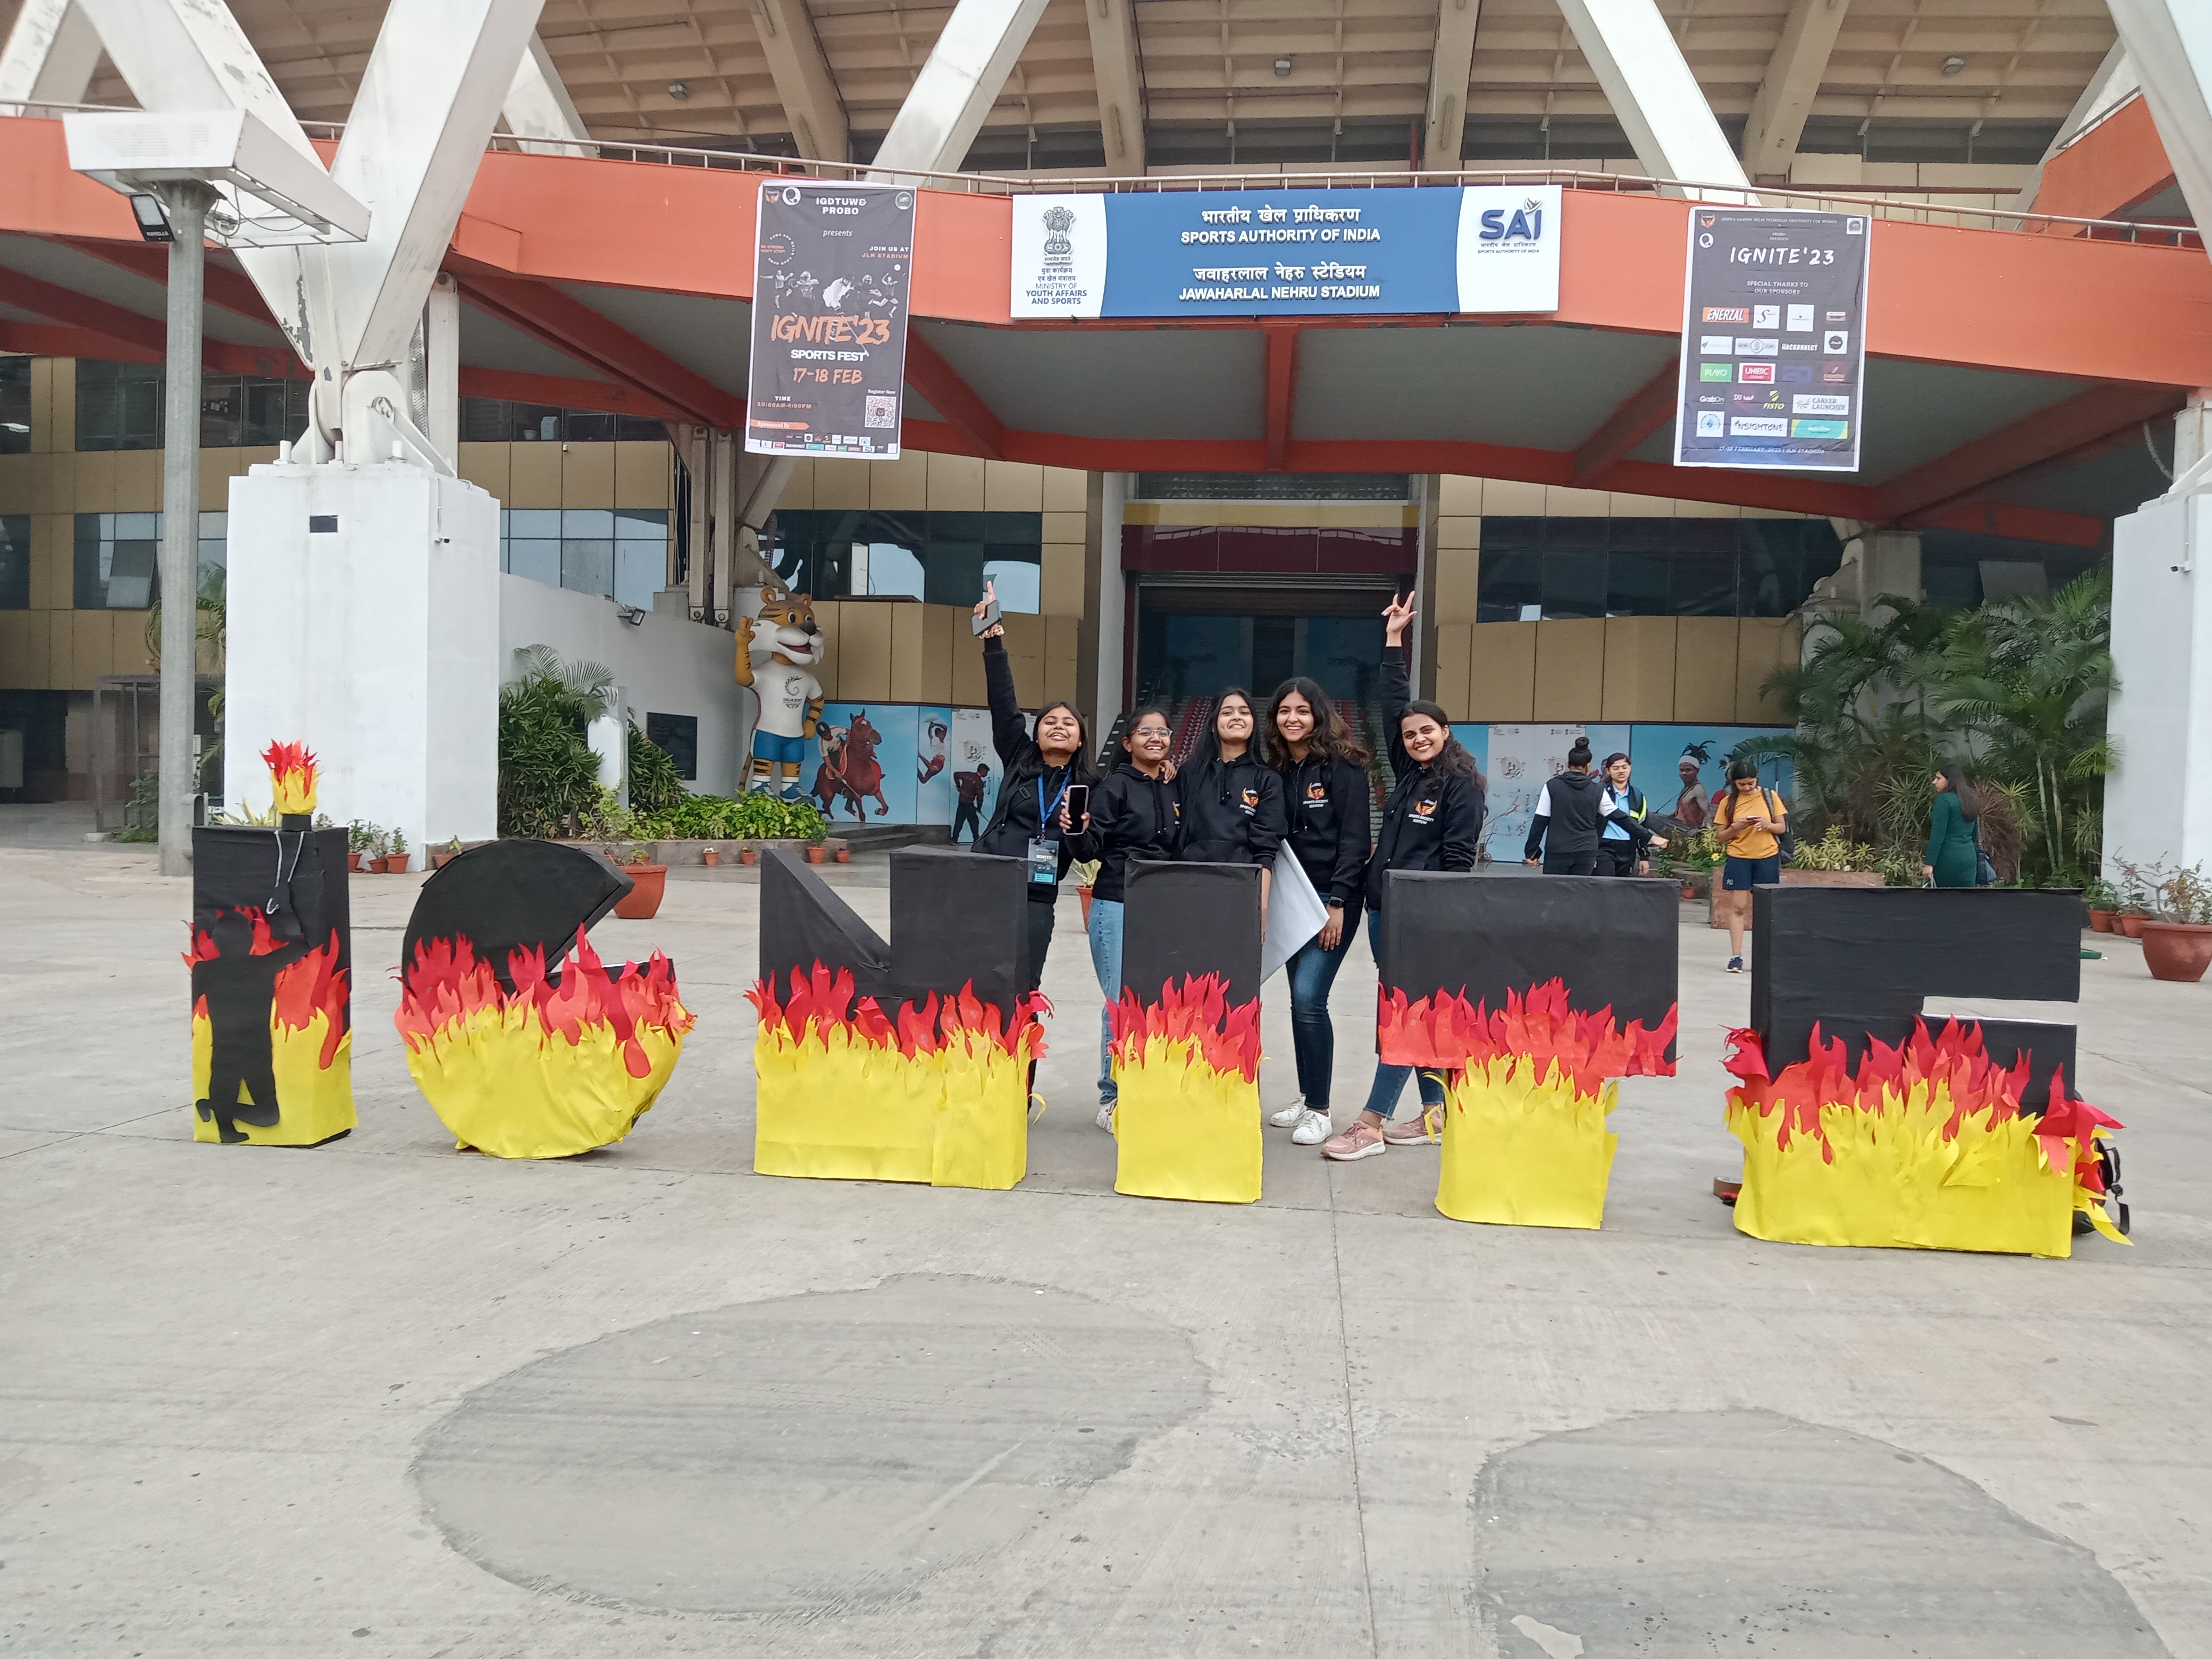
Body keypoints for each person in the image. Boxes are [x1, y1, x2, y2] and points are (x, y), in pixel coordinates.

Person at [1322, 593, 1485, 1163]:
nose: (1417, 738)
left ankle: (1371, 1123)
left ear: (1446, 731)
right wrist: (1393, 640)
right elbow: (1395, 702)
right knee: (1413, 1011)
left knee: (1405, 1015)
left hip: (1421, 918)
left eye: (1426, 731)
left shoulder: (1461, 785)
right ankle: (1437, 1111)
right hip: (1381, 908)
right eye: (1410, 733)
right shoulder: (1411, 772)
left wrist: (1436, 919)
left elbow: (1457, 861)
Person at [970, 580, 1097, 996]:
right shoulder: (1018, 757)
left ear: (1080, 738)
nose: (1058, 727)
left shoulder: (1090, 784)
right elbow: (1003, 703)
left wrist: (1079, 830)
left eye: (1068, 723)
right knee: (976, 982)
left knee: (1024, 988)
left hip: (1038, 897)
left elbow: (1090, 849)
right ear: (1037, 733)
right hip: (988, 881)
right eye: (1049, 721)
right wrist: (993, 639)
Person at [1263, 677, 1373, 1146]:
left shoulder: (1344, 766)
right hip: (1292, 897)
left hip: (1331, 899)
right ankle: (1308, 1096)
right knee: (1298, 1002)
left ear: (1318, 716)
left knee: (1310, 998)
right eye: (1285, 711)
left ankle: (1321, 1111)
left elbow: (1355, 839)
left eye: (1302, 711)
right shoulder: (1277, 769)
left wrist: (1339, 903)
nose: (1293, 718)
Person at [1075, 707, 1183, 1130]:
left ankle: (1143, 1084)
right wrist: (1077, 830)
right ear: (1128, 742)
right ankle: (1111, 1096)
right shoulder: (1113, 788)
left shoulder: (1173, 786)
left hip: (1161, 908)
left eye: (1163, 732)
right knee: (1120, 1002)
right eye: (1145, 732)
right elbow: (1090, 847)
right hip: (1117, 903)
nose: (1156, 738)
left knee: (1155, 1001)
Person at [1174, 689, 1288, 920]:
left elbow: (1265, 849)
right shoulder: (1189, 772)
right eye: (1227, 712)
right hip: (1188, 883)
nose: (1237, 717)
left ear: (1253, 725)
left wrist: (1261, 907)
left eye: (1244, 712)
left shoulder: (1267, 779)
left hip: (1241, 887)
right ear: (1213, 725)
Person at [1713, 759, 1788, 974]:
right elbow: (1721, 837)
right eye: (1741, 784)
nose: (1747, 788)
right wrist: (1736, 827)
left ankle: (1765, 958)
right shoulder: (1728, 803)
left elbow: (1781, 828)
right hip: (1739, 857)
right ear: (1734, 783)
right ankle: (1736, 957)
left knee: (1765, 909)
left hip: (1767, 856)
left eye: (1750, 783)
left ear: (1757, 779)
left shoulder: (1770, 797)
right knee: (1738, 907)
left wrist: (1766, 825)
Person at [1521, 741, 1607, 875]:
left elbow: (1540, 821)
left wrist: (1532, 852)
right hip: (1586, 851)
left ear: (1568, 764)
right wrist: (1594, 852)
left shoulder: (1552, 786)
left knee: (1554, 888)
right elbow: (1603, 821)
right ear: (1588, 766)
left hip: (1557, 850)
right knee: (1580, 888)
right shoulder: (1598, 790)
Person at [1596, 753, 1667, 877]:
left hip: (1628, 849)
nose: (1621, 771)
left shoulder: (1637, 796)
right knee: (1605, 884)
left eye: (1624, 767)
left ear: (1630, 768)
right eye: (1616, 768)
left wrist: (1644, 857)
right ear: (1608, 770)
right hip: (1604, 847)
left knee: (1623, 886)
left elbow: (1642, 826)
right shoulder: (1600, 792)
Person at [1924, 763, 1981, 889]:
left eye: (1938, 778)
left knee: (1945, 899)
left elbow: (1938, 834)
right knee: (1967, 899)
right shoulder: (1970, 799)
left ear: (1949, 780)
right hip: (1969, 859)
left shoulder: (1944, 800)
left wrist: (1929, 863)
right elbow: (1975, 834)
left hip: (1947, 859)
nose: (1934, 782)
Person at [949, 761, 988, 845]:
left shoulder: (967, 775)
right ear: (982, 771)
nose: (987, 774)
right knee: (975, 823)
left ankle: (954, 839)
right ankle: (976, 840)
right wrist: (979, 807)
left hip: (961, 803)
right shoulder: (979, 782)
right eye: (986, 772)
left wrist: (958, 786)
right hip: (969, 805)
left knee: (959, 822)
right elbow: (980, 796)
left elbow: (956, 774)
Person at [1672, 748, 1712, 831]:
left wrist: (1709, 833)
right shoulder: (1687, 789)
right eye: (1682, 770)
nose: (1684, 773)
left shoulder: (1698, 789)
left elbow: (1707, 814)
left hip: (1690, 832)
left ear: (1697, 771)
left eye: (1688, 770)